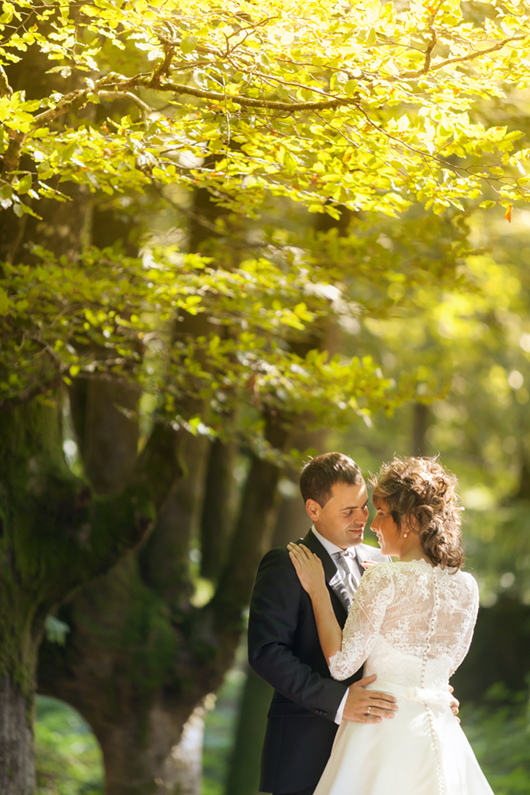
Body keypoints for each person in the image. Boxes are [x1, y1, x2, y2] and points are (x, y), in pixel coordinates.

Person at [288, 456, 494, 795]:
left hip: (381, 732)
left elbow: (341, 665)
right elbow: (446, 667)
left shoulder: (384, 577)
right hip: (443, 734)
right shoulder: (467, 586)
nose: (372, 524)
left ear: (410, 520)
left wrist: (318, 591)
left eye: (381, 513)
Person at [248, 452, 397, 795]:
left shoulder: (383, 561)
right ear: (313, 509)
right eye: (348, 511)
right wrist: (340, 701)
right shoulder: (284, 564)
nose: (362, 518)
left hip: (377, 746)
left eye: (363, 506)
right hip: (307, 748)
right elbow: (267, 652)